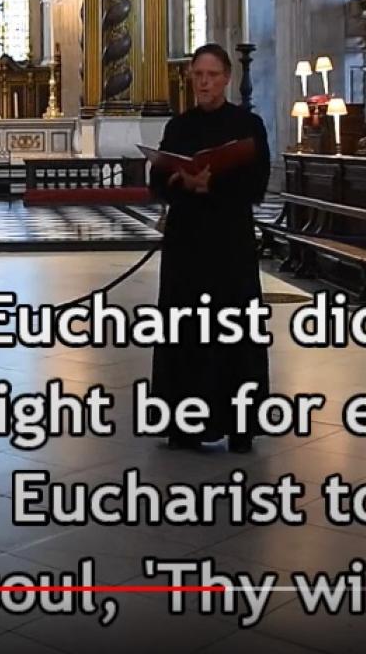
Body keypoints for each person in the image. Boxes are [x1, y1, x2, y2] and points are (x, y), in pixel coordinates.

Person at [148, 43, 272, 453]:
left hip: (229, 243)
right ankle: (184, 423)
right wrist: (179, 181)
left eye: (212, 75)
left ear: (227, 79)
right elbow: (156, 182)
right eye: (198, 75)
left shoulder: (248, 125)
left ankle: (240, 425)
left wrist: (212, 184)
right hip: (186, 244)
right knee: (184, 329)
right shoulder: (179, 127)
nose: (204, 82)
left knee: (233, 329)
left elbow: (256, 186)